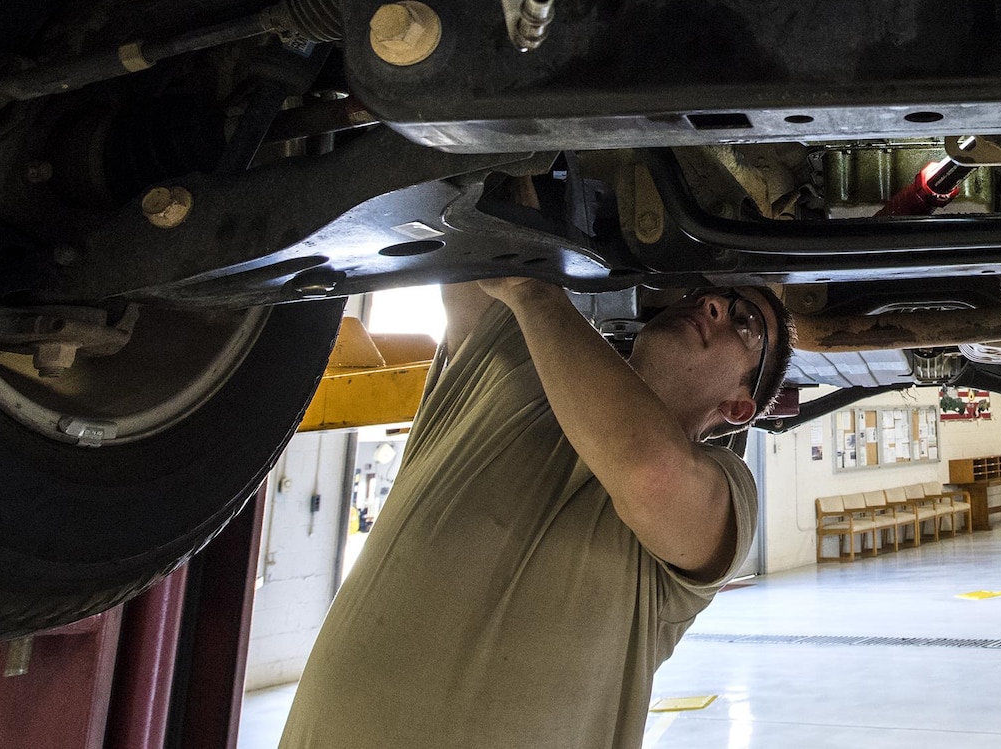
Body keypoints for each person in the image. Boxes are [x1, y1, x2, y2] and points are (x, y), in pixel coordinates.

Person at [279, 272, 793, 749]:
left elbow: (649, 472)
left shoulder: (728, 491)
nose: (710, 301)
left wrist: (536, 291)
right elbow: (477, 255)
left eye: (743, 323)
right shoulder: (516, 369)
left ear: (737, 408)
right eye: (706, 292)